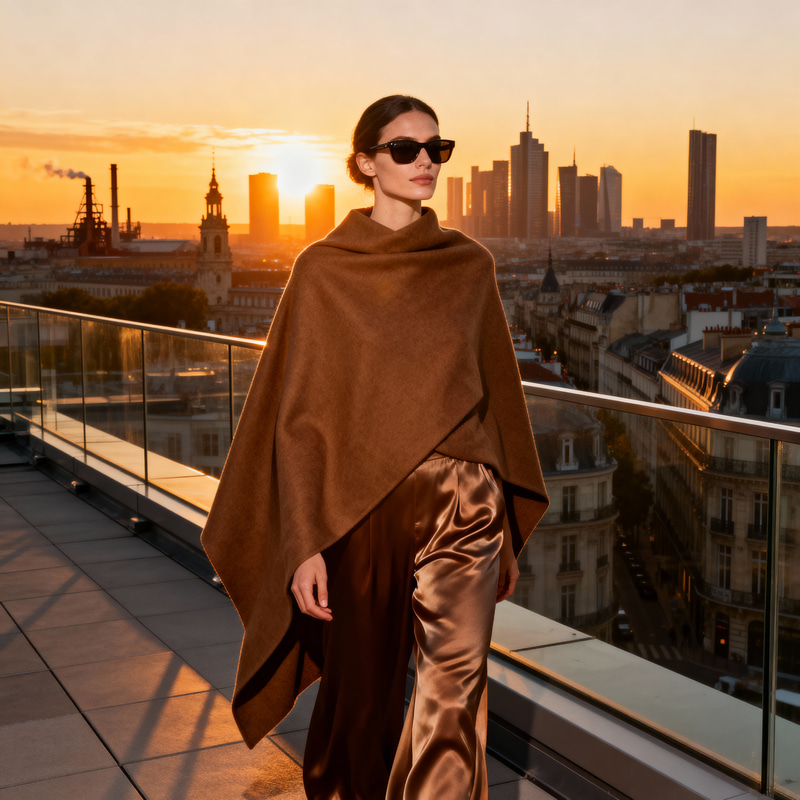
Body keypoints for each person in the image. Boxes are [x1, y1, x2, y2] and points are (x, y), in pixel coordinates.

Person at [201, 95, 549, 800]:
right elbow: (299, 419)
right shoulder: (322, 270)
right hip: (358, 507)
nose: (426, 162)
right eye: (405, 149)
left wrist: (505, 530)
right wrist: (303, 541)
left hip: (467, 505)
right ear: (365, 162)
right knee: (361, 701)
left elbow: (497, 399)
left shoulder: (469, 265)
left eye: (436, 149)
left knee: (454, 704)